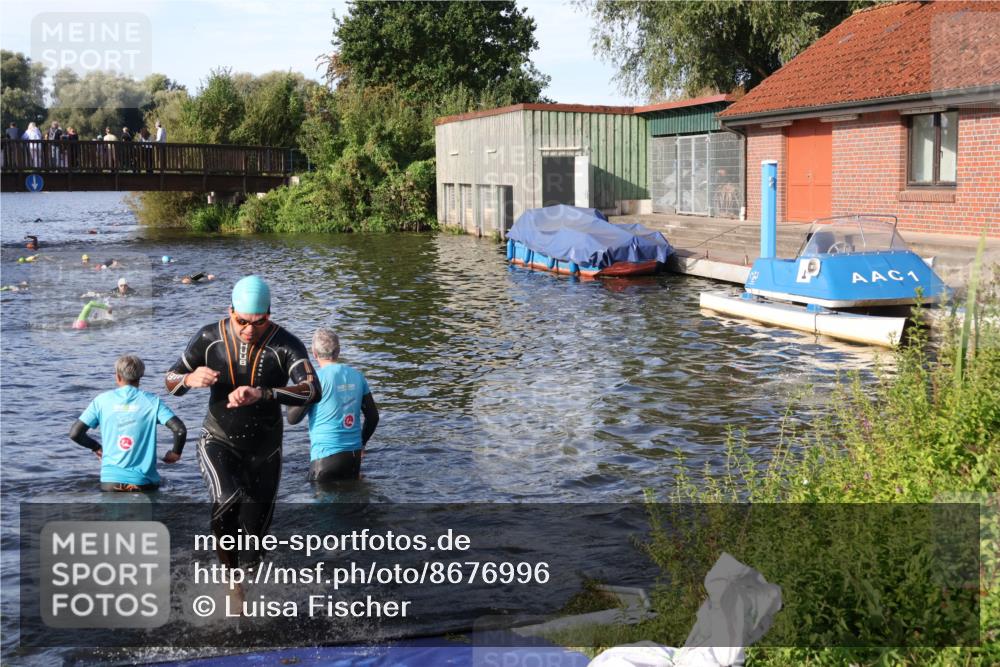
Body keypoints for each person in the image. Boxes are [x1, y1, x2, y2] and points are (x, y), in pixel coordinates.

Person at [164, 275, 320, 569]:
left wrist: (264, 393)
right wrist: (188, 379)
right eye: (242, 321)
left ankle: (249, 593)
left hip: (265, 452)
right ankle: (231, 582)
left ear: (269, 315)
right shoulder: (209, 338)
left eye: (259, 322)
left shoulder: (285, 345)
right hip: (218, 439)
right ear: (230, 311)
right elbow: (169, 381)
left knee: (255, 545)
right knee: (227, 500)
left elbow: (312, 390)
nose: (249, 329)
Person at [69, 355, 186, 491]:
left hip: (110, 482)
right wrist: (175, 453)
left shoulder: (101, 401)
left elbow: (75, 433)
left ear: (117, 377)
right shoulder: (152, 402)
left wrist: (96, 447)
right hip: (143, 482)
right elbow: (179, 430)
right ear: (140, 377)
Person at [287, 329, 379, 482]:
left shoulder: (315, 380)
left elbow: (292, 418)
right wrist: (362, 443)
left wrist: (291, 394)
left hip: (324, 460)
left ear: (314, 353)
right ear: (339, 351)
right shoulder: (358, 376)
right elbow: (373, 417)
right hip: (353, 459)